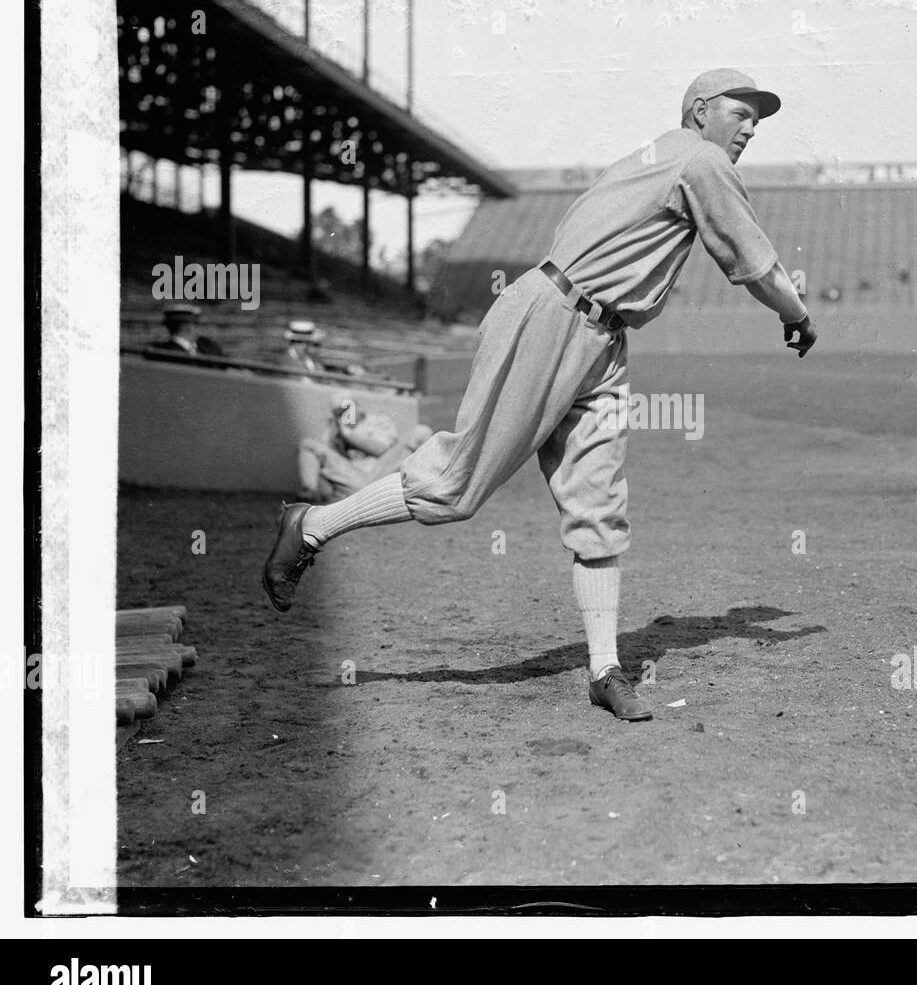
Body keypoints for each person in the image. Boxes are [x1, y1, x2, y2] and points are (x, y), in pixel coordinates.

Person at [263, 68, 817, 722]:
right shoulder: (700, 159)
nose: (751, 126)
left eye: (759, 117)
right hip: (554, 315)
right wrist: (797, 314)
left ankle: (605, 668)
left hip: (602, 337)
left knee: (599, 503)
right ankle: (313, 524)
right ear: (700, 111)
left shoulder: (657, 157)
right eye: (741, 112)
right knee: (457, 485)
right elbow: (757, 266)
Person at [298, 393, 434, 504]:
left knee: (421, 431)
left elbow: (382, 449)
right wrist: (336, 436)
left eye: (347, 409)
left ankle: (429, 489)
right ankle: (309, 492)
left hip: (381, 473)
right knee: (308, 444)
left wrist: (350, 436)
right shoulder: (333, 431)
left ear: (356, 405)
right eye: (339, 412)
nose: (345, 415)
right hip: (353, 480)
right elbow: (327, 464)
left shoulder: (377, 421)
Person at [146, 303, 225, 360]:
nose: (199, 329)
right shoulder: (162, 352)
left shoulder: (207, 346)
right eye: (196, 324)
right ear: (187, 327)